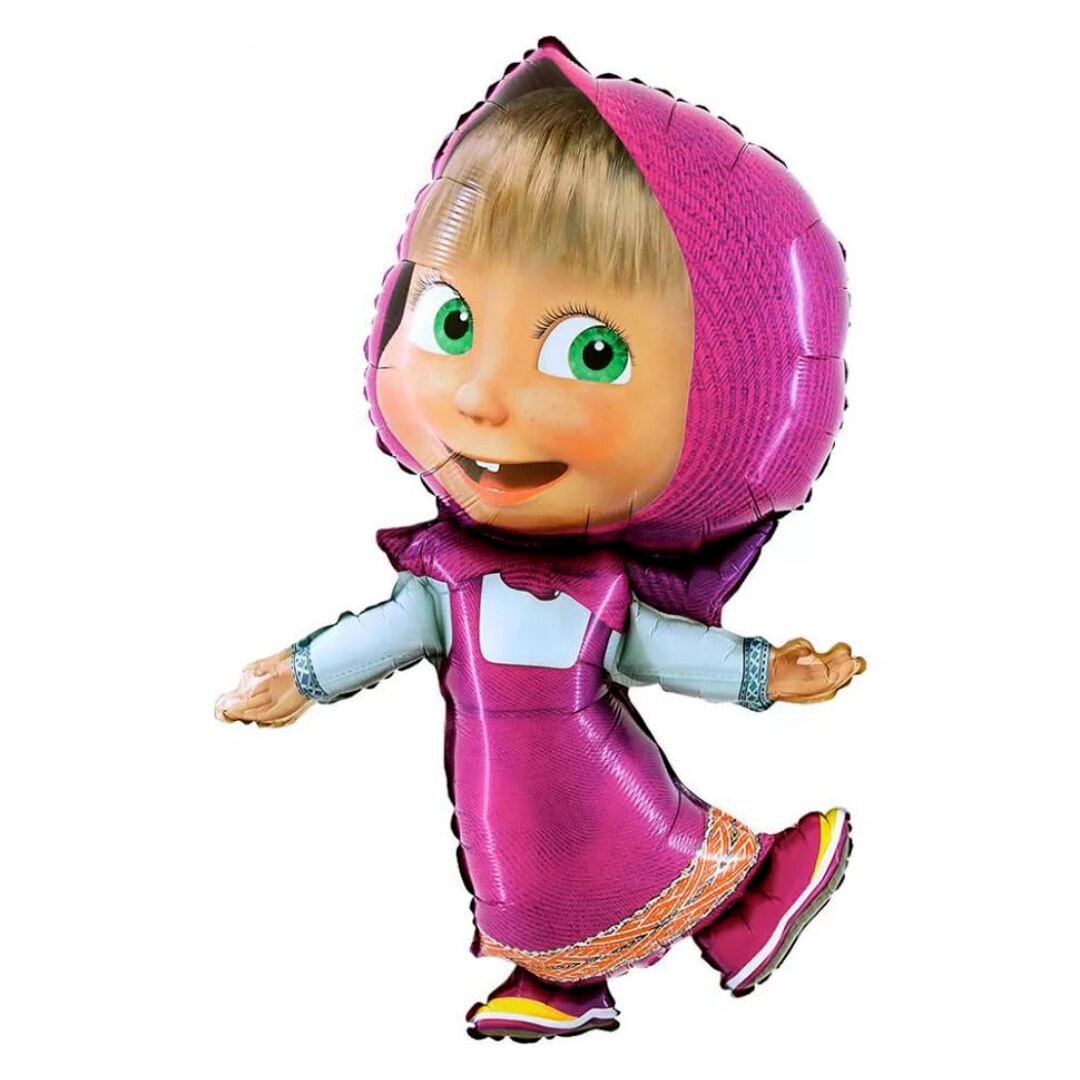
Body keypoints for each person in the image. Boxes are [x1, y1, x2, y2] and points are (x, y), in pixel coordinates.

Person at [217, 38, 864, 1042]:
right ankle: (561, 974)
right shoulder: (445, 583)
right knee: (513, 869)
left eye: (590, 353)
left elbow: (665, 652)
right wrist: (299, 676)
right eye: (452, 322)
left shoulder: (597, 593)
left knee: (643, 842)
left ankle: (751, 894)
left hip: (597, 776)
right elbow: (377, 639)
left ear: (722, 396)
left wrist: (764, 673)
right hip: (500, 789)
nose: (480, 398)